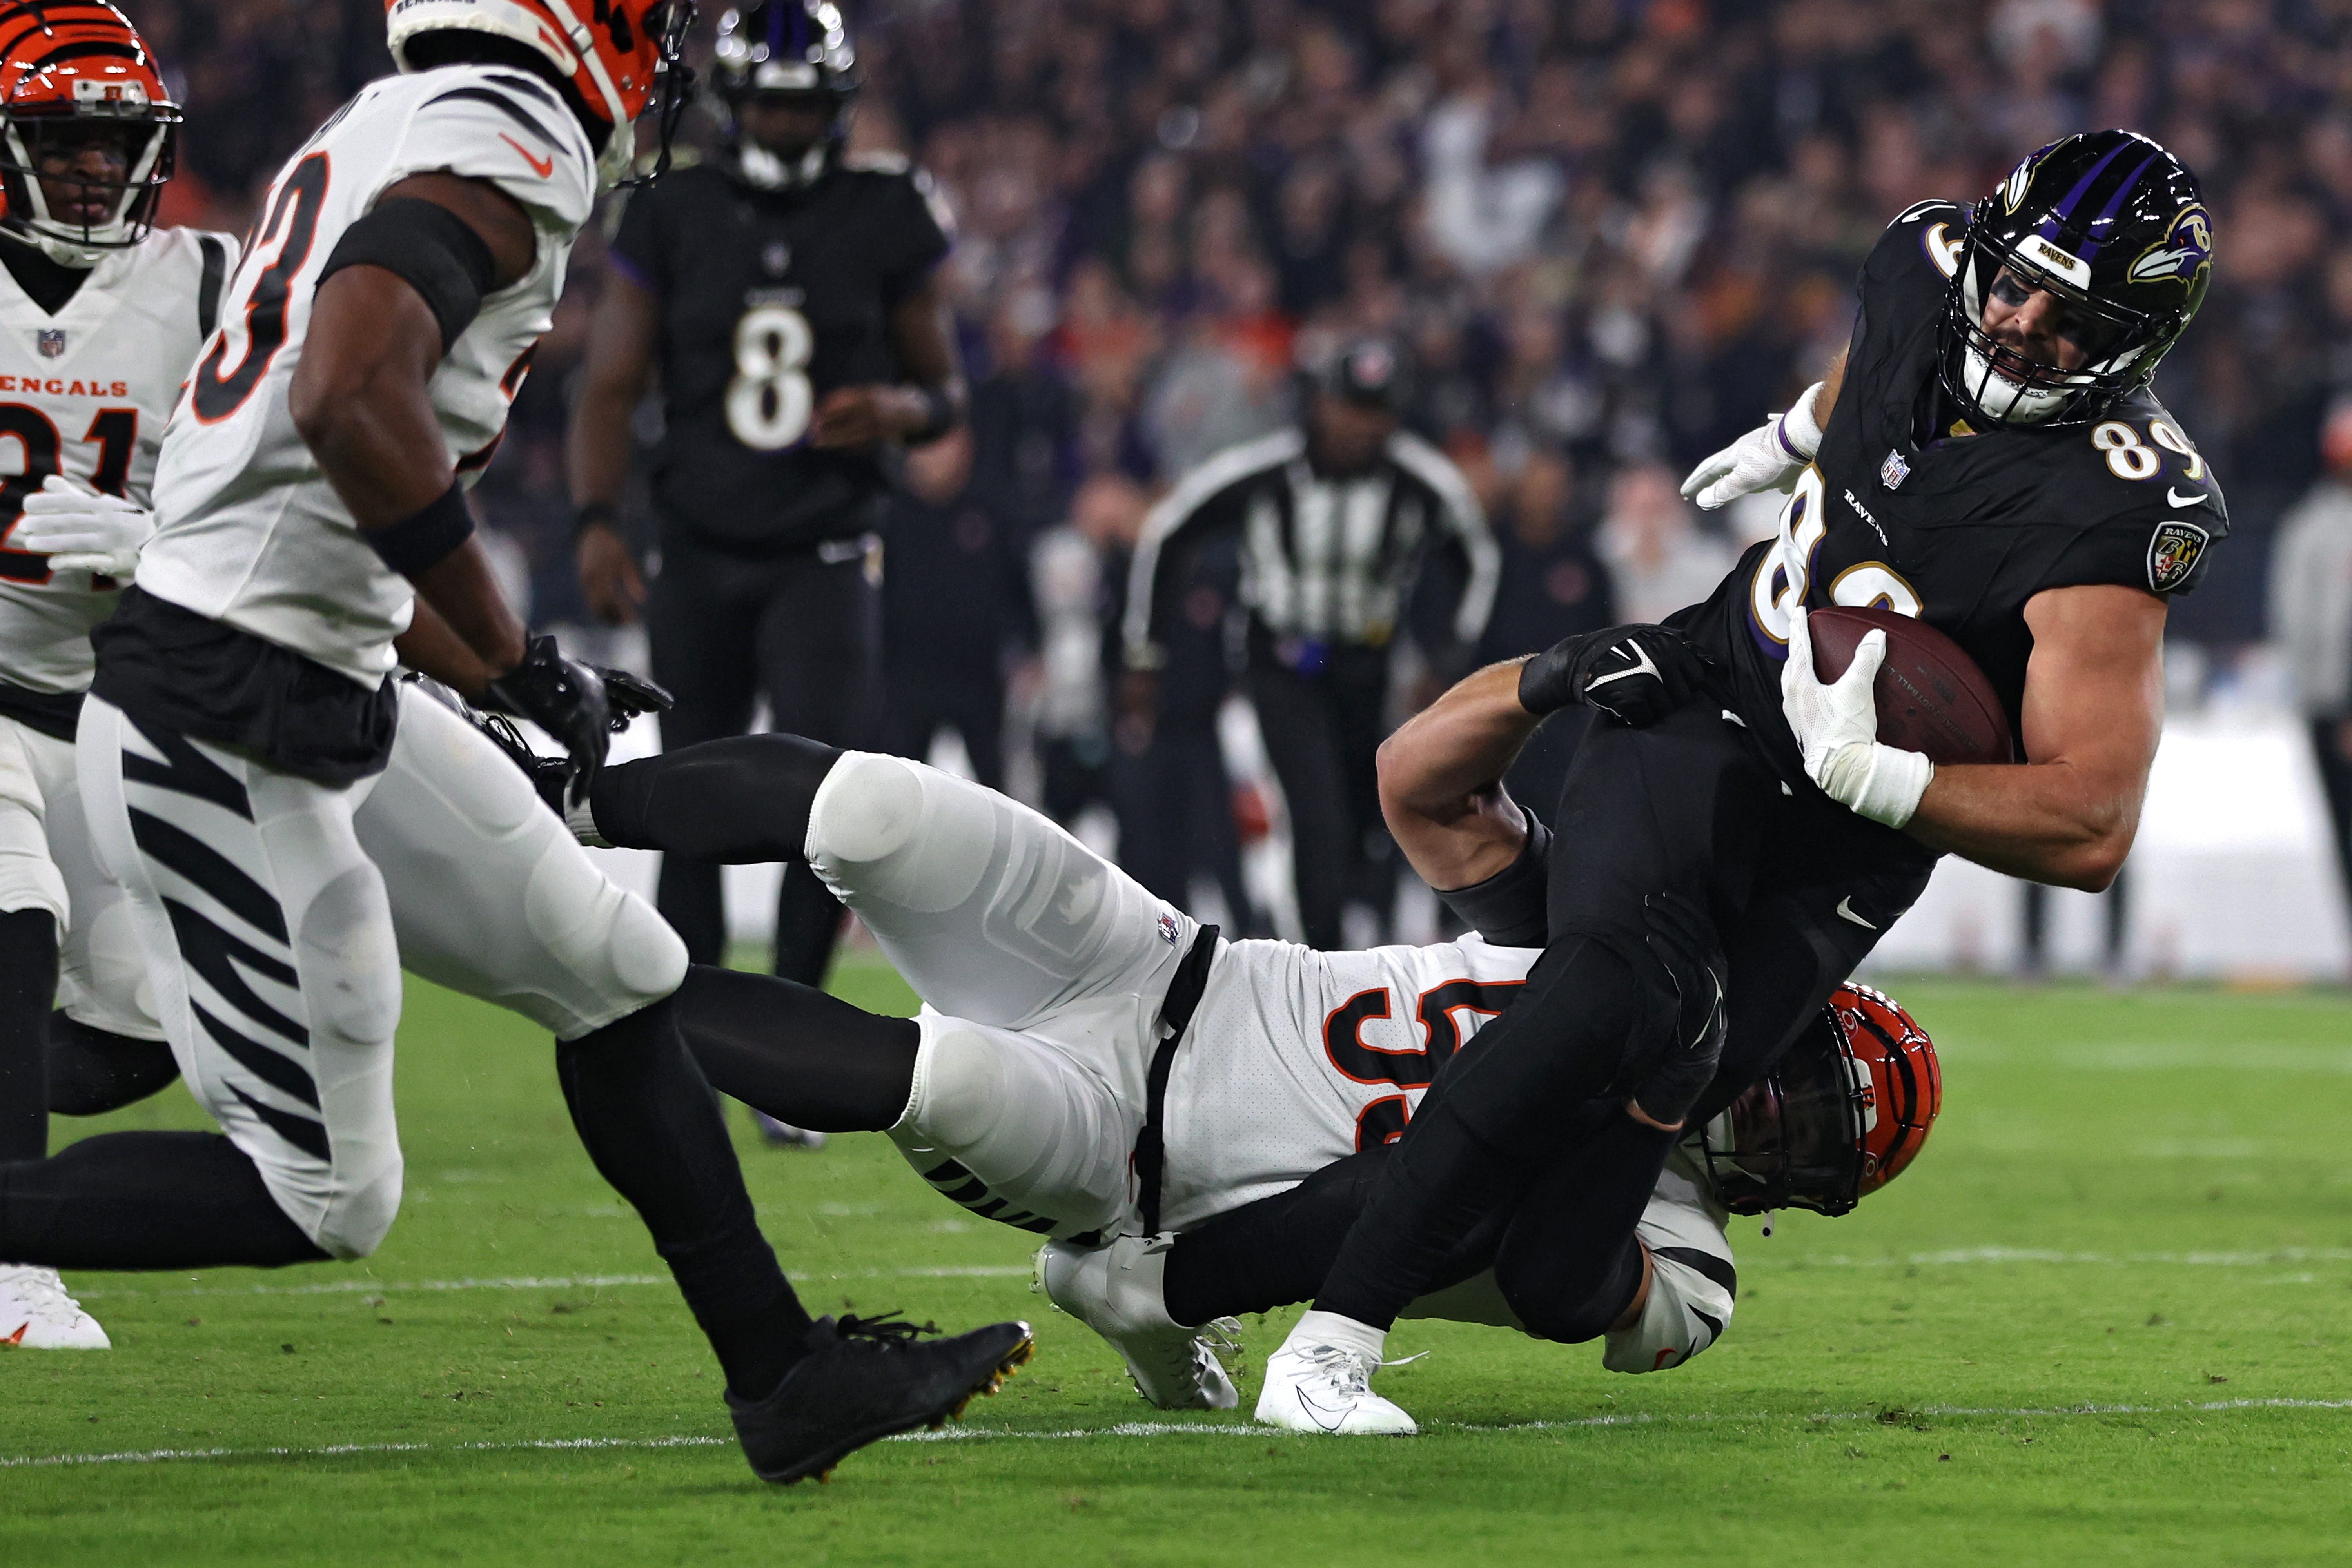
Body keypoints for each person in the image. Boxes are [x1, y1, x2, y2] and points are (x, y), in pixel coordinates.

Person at [0, 0, 1029, 1487]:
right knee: (324, 1195)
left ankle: (784, 1374)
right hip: (227, 705)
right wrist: (506, 657)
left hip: (313, 662)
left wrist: (513, 665)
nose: (667, 48)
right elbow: (350, 395)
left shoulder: (384, 121)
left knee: (613, 971)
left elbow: (319, 501)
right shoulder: (511, 122)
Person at [1250, 129, 2227, 1434]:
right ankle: (1328, 1346)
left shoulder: (2121, 507)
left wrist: (1877, 781)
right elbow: (1873, 369)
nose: (2017, 319)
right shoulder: (1926, 262)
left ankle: (1172, 1278)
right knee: (1614, 995)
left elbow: (2094, 820)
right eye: (2011, 281)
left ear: (2140, 336)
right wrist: (1791, 435)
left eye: (2069, 312)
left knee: (1572, 1233)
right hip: (1718, 695)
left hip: (1849, 842)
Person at [457, 703, 1933, 1410]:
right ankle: (541, 789)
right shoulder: (1641, 948)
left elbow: (1507, 1250)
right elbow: (1425, 787)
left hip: (1131, 1160)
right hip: (1174, 962)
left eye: (1811, 1136)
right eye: (1801, 1075)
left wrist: (1651, 1085)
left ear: (1812, 1197)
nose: (1773, 1113)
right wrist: (1559, 680)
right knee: (886, 812)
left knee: (943, 1080)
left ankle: (534, 962)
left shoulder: (1689, 1275)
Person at [568, 0, 962, 991]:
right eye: (769, 106)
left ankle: (791, 1019)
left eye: (803, 107)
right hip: (698, 538)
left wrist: (899, 408)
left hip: (824, 542)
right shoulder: (672, 207)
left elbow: (948, 395)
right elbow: (610, 382)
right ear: (733, 102)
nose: (786, 126)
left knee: (827, 796)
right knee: (690, 793)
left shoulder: (885, 207)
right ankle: (693, 1026)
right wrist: (596, 520)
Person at [0, 0, 235, 1353]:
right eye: (65, 136)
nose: (95, 164)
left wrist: (163, 541)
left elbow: (281, 493)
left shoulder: (205, 282)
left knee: (148, 1028)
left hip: (106, 712)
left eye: (112, 139)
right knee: (12, 903)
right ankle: (17, 1257)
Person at [1122, 337, 1498, 948]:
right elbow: (1169, 531)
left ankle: (1357, 938)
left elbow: (1476, 560)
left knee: (1365, 820)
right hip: (1283, 663)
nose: (1362, 427)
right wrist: (1147, 651)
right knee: (1314, 813)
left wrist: (1445, 655)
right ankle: (1317, 958)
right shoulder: (1266, 474)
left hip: (1367, 666)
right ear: (1322, 405)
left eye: (1376, 412)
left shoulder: (1418, 482)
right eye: (1351, 408)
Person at [2269, 399, 2352, 922]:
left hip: (2333, 702)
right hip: (2324, 702)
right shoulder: (2312, 522)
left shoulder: (2311, 523)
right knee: (2342, 830)